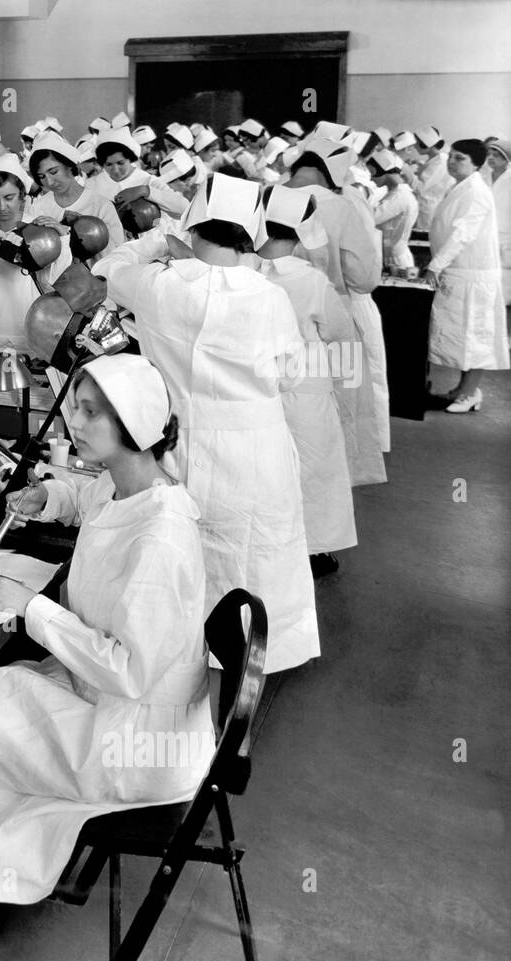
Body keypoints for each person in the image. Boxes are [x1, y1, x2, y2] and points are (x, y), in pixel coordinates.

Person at [0, 354, 213, 913]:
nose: (73, 425)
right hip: (114, 706)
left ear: (132, 424)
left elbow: (128, 670)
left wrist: (28, 607)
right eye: (75, 409)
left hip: (133, 741)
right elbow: (90, 499)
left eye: (90, 414)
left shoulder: (162, 539)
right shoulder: (138, 486)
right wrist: (49, 497)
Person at [97, 174, 320, 673]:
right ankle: (256, 656)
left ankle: (181, 657)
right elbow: (290, 375)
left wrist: (156, 239)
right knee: (255, 554)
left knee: (184, 550)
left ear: (192, 226)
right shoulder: (269, 296)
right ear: (249, 236)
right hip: (254, 448)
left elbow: (108, 268)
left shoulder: (160, 285)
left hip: (181, 439)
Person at [256, 185, 358, 576]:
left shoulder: (243, 271)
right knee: (315, 468)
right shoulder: (310, 281)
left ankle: (273, 543)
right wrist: (347, 390)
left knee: (269, 467)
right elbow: (340, 333)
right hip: (308, 385)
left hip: (258, 382)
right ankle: (314, 548)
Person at [286, 138, 390, 473]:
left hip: (274, 312)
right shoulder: (338, 206)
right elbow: (364, 279)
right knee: (336, 401)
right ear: (333, 177)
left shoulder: (265, 196)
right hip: (331, 315)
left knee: (284, 400)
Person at [422, 139, 508, 413]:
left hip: (474, 276)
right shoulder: (460, 187)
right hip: (460, 273)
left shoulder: (477, 192)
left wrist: (436, 264)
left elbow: (463, 233)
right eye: (452, 156)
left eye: (459, 158)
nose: (452, 162)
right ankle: (464, 389)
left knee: (476, 337)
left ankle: (470, 393)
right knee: (464, 337)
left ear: (475, 164)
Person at [0, 154, 56, 353]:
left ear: (22, 194)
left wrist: (60, 238)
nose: (2, 207)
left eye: (9, 198)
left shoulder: (39, 228)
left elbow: (56, 279)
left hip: (35, 326)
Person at [27, 131, 123, 277]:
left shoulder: (100, 205)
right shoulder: (38, 207)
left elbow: (117, 256)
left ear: (69, 165)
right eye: (42, 177)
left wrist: (77, 233)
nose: (49, 182)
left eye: (53, 171)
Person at [86, 127, 190, 219]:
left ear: (130, 159)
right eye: (109, 165)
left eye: (120, 163)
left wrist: (145, 191)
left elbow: (184, 208)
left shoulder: (147, 180)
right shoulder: (92, 184)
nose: (115, 170)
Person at [368, 149, 419, 271]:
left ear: (384, 172)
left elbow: (370, 218)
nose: (371, 178)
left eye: (373, 172)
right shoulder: (397, 193)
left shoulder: (399, 197)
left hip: (396, 261)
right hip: (391, 256)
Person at [481, 137, 511, 336]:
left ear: (507, 158)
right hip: (487, 240)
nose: (491, 158)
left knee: (504, 297)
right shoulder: (484, 178)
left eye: (497, 155)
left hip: (506, 241)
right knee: (489, 295)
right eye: (489, 153)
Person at [412, 125, 454, 231]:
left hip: (428, 211)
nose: (415, 146)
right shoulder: (435, 159)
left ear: (426, 144)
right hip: (423, 207)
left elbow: (421, 188)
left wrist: (408, 173)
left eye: (417, 143)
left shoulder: (441, 161)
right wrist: (421, 166)